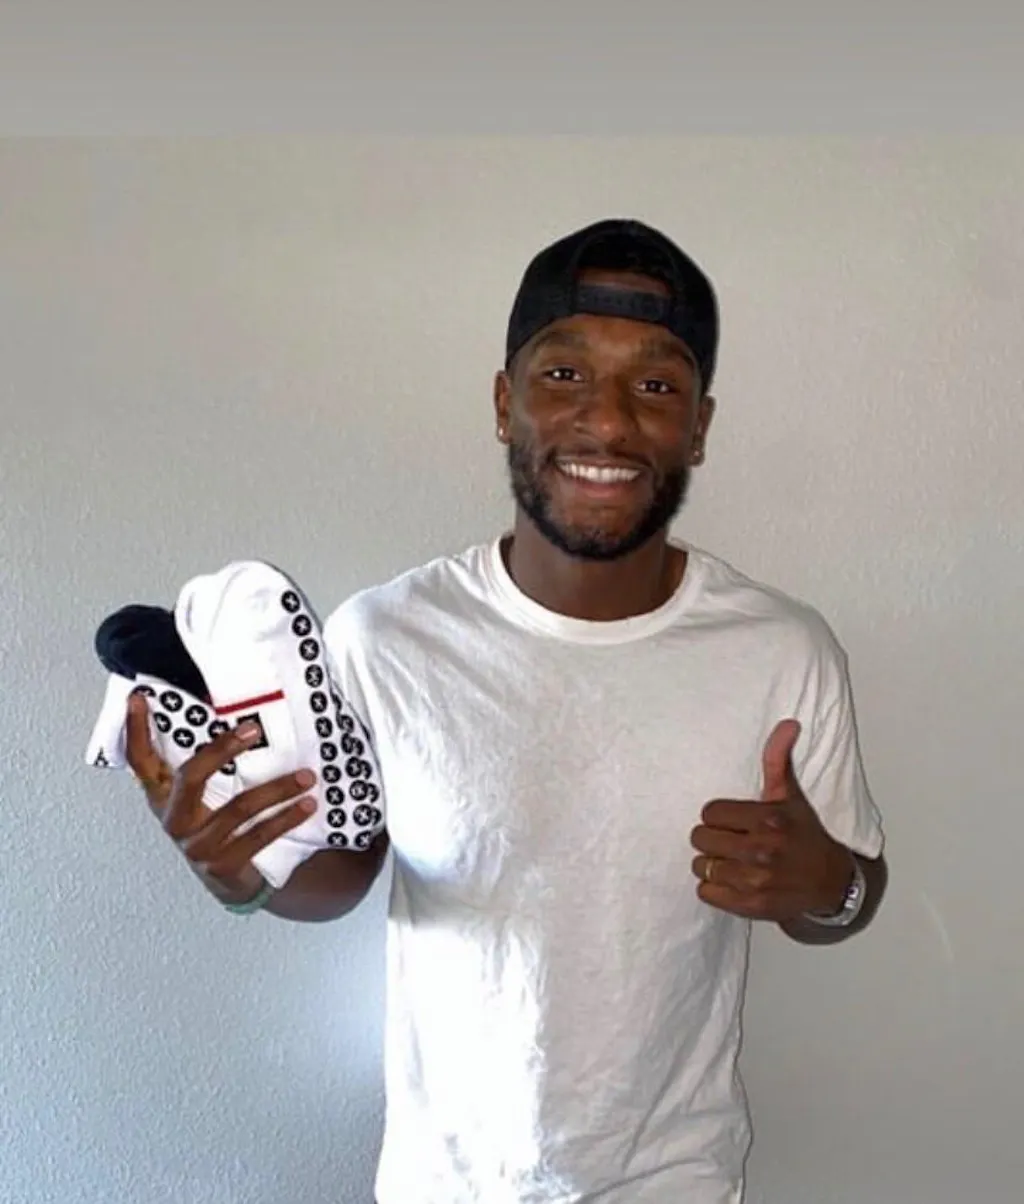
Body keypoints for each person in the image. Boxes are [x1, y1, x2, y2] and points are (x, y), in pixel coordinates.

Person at [125, 218, 887, 1204]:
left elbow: (849, 893)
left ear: (698, 426)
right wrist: (241, 874)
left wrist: (828, 884)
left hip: (675, 1182)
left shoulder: (782, 650)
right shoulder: (384, 637)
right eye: (563, 375)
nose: (607, 421)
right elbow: (339, 875)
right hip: (443, 1182)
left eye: (655, 387)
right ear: (503, 403)